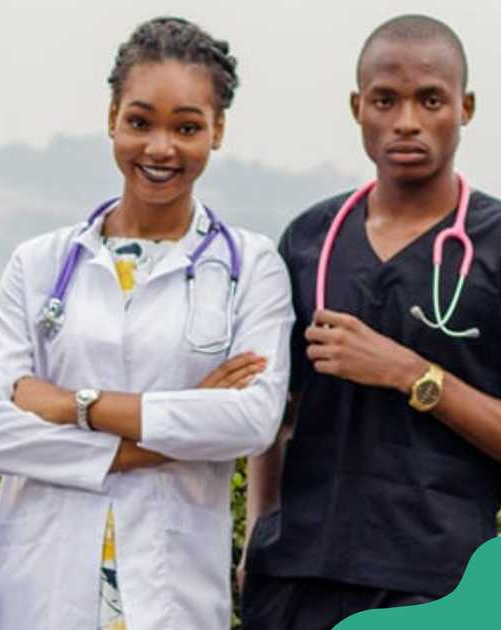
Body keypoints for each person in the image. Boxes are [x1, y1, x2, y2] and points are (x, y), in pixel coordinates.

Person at [0, 16, 294, 630]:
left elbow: (250, 419)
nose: (161, 148)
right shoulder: (39, 264)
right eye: (140, 121)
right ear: (112, 116)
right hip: (42, 591)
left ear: (217, 131)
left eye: (186, 127)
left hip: (171, 593)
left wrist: (73, 405)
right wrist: (175, 426)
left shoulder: (251, 266)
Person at [241, 14, 501, 629]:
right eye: (386, 99)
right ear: (358, 107)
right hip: (298, 576)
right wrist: (258, 531)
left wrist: (411, 373)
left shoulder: (492, 247)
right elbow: (277, 413)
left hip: (439, 587)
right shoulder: (310, 239)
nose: (406, 121)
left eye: (430, 99)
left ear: (464, 108)